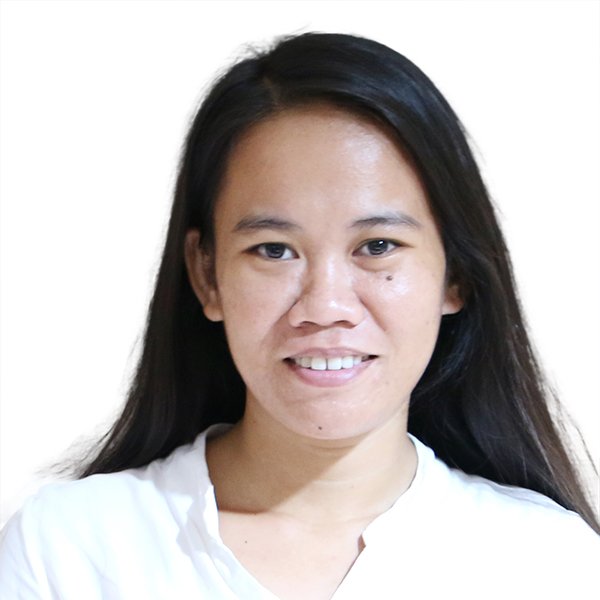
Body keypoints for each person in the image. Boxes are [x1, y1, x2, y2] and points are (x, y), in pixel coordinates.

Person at [0, 32, 598, 600]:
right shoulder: (70, 550)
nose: (326, 306)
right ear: (207, 275)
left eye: (378, 246)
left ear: (455, 275)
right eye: (274, 250)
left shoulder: (551, 564)